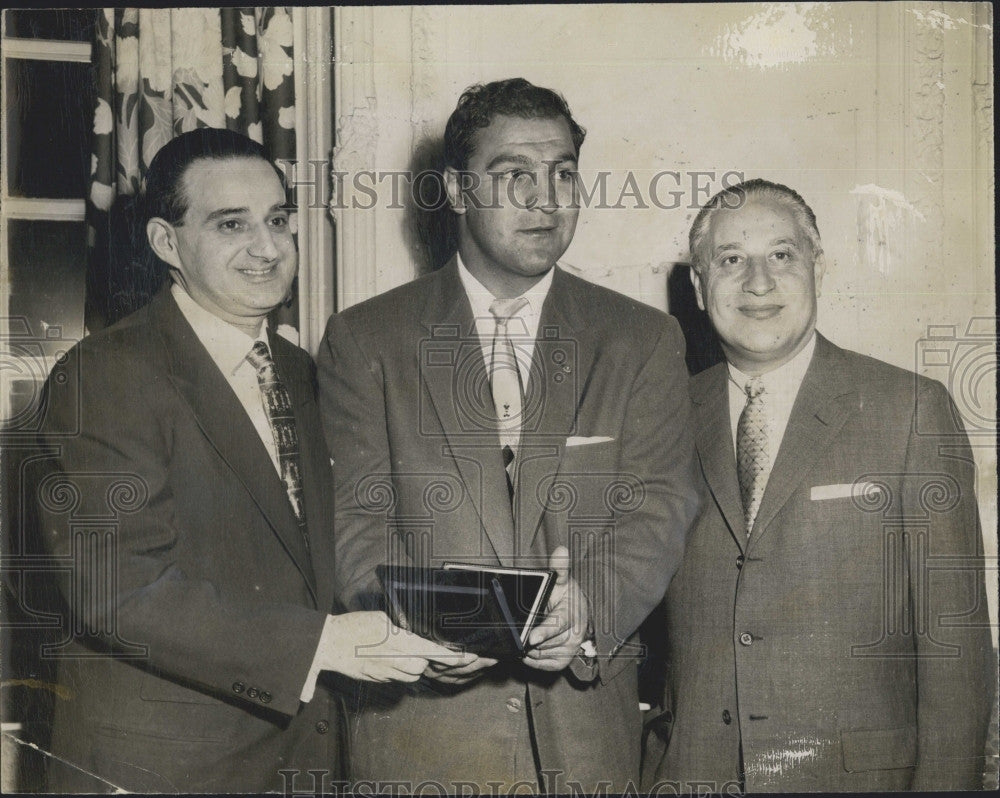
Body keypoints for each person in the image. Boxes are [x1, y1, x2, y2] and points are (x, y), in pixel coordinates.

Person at [34, 128, 461, 793]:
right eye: (232, 225)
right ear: (165, 243)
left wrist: (457, 618)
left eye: (278, 220)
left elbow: (321, 556)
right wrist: (328, 643)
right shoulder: (105, 375)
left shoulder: (301, 370)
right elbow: (117, 590)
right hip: (163, 772)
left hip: (299, 764)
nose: (267, 247)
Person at [316, 77, 700, 794]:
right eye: (513, 176)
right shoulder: (365, 339)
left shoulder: (641, 339)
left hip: (587, 741)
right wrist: (420, 628)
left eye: (561, 175)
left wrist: (589, 608)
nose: (544, 199)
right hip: (422, 741)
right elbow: (353, 522)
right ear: (457, 192)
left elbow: (658, 505)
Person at [642, 178, 994, 792]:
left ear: (818, 268)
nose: (758, 282)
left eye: (782, 255)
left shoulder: (909, 411)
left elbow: (955, 653)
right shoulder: (661, 417)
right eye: (730, 260)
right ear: (698, 287)